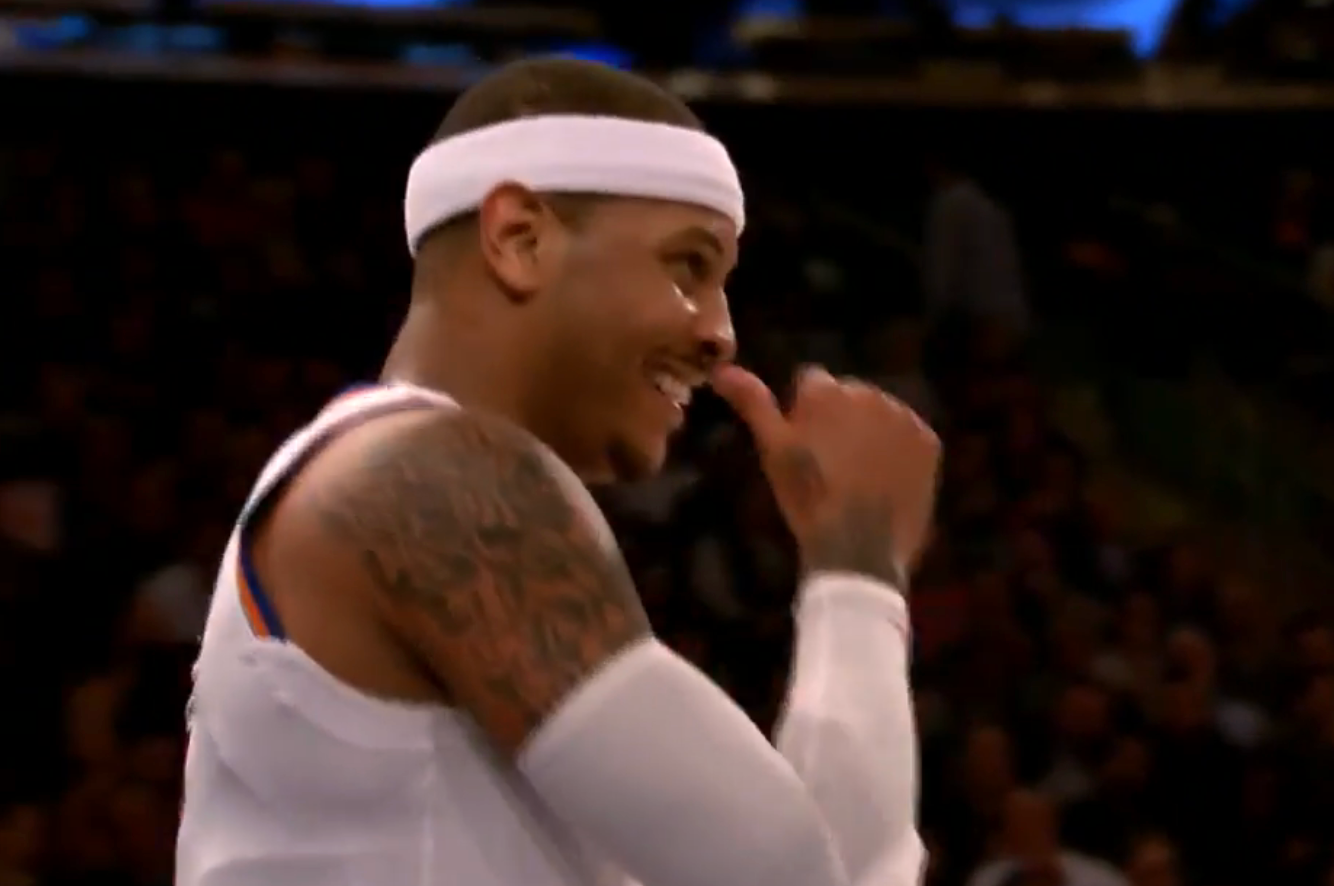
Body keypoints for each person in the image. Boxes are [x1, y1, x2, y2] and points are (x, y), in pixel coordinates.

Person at [176, 57, 937, 886]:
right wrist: (858, 570)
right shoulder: (432, 476)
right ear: (520, 239)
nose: (720, 333)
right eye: (688, 266)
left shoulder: (391, 476)